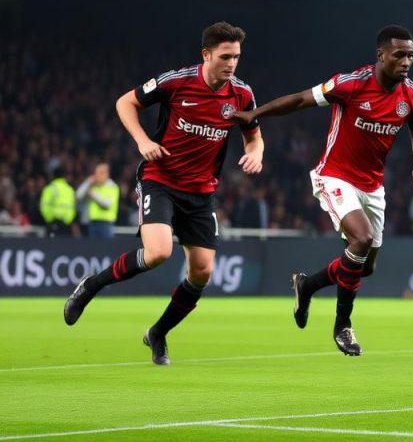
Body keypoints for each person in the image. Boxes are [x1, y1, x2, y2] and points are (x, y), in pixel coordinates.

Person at [63, 22, 264, 366]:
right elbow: (125, 102)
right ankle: (91, 285)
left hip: (201, 192)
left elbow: (254, 136)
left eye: (236, 57)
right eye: (225, 56)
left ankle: (157, 333)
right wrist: (142, 140)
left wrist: (256, 153)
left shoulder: (242, 94)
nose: (232, 64)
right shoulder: (177, 81)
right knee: (158, 252)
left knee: (202, 272)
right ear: (206, 54)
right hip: (161, 180)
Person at [232, 24, 413, 356]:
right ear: (381, 55)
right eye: (399, 55)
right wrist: (255, 113)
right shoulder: (351, 84)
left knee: (365, 266)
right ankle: (343, 326)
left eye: (411, 55)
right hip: (334, 176)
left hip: (372, 185)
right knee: (361, 239)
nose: (406, 61)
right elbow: (300, 99)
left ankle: (307, 285)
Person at [75, 162, 120, 238]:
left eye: (99, 173)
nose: (96, 175)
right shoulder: (92, 185)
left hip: (106, 223)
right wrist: (87, 182)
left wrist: (94, 195)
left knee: (106, 245)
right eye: (95, 173)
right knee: (93, 245)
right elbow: (78, 196)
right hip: (92, 222)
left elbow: (107, 204)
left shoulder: (112, 187)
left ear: (106, 174)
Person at [39, 165, 76, 236]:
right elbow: (72, 208)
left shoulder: (50, 188)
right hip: (66, 225)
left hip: (53, 223)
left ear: (53, 176)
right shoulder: (70, 190)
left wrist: (49, 219)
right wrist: (68, 220)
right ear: (64, 177)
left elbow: (43, 205)